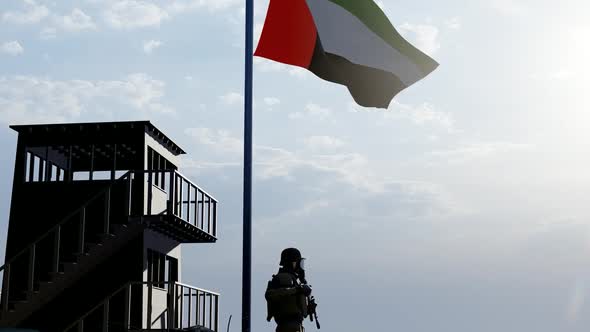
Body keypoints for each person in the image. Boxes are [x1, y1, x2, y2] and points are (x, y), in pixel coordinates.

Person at [265, 248, 311, 332]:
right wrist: (297, 290)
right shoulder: (284, 278)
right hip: (288, 327)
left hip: (294, 326)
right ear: (292, 263)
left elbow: (293, 305)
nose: (300, 266)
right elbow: (270, 295)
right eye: (298, 263)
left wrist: (308, 309)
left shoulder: (294, 280)